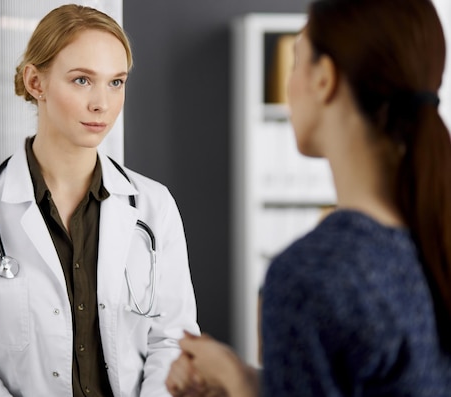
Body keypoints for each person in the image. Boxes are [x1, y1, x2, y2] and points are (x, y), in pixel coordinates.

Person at [166, 0, 451, 395]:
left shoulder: (313, 276)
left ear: (324, 79)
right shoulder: (432, 242)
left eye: (296, 58)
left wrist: (237, 383)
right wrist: (244, 379)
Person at [0, 4, 199, 396]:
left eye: (116, 82)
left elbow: (174, 342)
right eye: (82, 81)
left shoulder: (154, 206)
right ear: (36, 83)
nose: (102, 104)